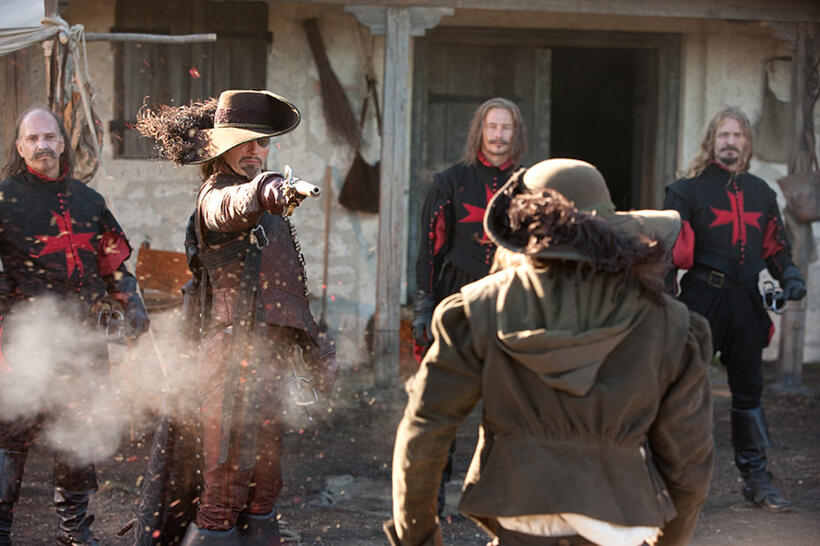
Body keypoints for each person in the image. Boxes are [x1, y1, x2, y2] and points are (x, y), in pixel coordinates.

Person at [387, 158, 715, 546]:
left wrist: (418, 538)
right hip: (621, 528)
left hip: (519, 520)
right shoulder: (671, 324)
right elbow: (688, 463)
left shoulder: (480, 308)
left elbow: (426, 428)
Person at [136, 90, 339, 545]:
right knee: (223, 486)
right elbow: (234, 206)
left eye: (262, 143)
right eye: (244, 141)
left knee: (265, 485)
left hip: (269, 359)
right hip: (228, 360)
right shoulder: (217, 195)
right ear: (221, 146)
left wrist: (317, 348)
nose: (255, 150)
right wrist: (269, 189)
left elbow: (288, 292)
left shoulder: (274, 215)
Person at [0, 108, 149, 545]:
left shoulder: (90, 202)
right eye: (33, 139)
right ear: (20, 146)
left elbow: (113, 264)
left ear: (63, 142)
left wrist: (132, 304)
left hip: (82, 342)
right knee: (10, 436)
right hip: (22, 340)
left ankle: (74, 531)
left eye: (50, 137)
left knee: (79, 432)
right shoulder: (3, 200)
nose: (43, 145)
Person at [663, 106, 806, 512]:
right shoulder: (685, 192)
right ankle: (673, 483)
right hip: (700, 301)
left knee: (749, 394)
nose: (730, 141)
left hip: (745, 303)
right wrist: (667, 304)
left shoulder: (762, 193)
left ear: (746, 144)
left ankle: (758, 481)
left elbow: (776, 248)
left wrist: (790, 278)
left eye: (737, 136)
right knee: (682, 393)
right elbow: (666, 256)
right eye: (723, 135)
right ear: (712, 141)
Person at [411, 97, 527, 516]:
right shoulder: (451, 181)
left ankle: (498, 494)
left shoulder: (529, 183)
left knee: (510, 402)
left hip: (513, 299)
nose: (498, 136)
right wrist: (425, 305)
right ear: (479, 130)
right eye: (492, 127)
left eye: (506, 128)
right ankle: (431, 497)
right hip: (456, 299)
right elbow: (429, 248)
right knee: (442, 403)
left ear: (516, 133)